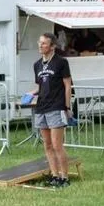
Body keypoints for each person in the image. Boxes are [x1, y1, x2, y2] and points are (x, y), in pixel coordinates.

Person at [31, 32, 73, 188]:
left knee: (57, 145)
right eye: (39, 42)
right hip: (41, 107)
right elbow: (41, 85)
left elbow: (68, 85)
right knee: (47, 145)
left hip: (56, 106)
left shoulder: (61, 62)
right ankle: (54, 175)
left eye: (44, 43)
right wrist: (32, 93)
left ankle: (64, 176)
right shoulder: (37, 65)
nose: (40, 45)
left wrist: (67, 107)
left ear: (52, 46)